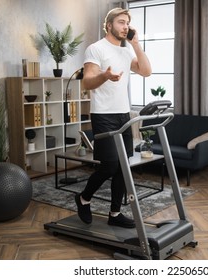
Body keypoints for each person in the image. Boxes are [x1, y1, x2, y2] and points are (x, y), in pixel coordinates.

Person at [75, 8, 152, 228]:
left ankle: (115, 214)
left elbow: (146, 71)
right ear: (109, 25)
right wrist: (104, 75)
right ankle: (83, 198)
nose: (125, 26)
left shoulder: (127, 52)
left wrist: (136, 44)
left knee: (123, 167)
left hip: (122, 114)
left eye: (127, 22)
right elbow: (87, 82)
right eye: (121, 22)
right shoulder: (95, 49)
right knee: (109, 166)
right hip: (103, 114)